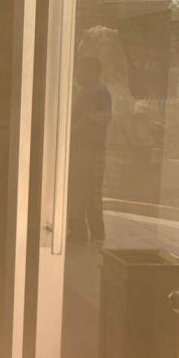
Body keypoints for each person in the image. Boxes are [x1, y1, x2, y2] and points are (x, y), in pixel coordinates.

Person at [67, 55, 111, 244]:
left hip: (90, 149)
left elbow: (102, 117)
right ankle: (82, 233)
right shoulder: (87, 91)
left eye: (81, 69)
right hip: (84, 149)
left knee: (88, 192)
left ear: (91, 71)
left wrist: (75, 128)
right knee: (80, 190)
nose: (77, 72)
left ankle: (94, 234)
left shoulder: (97, 91)